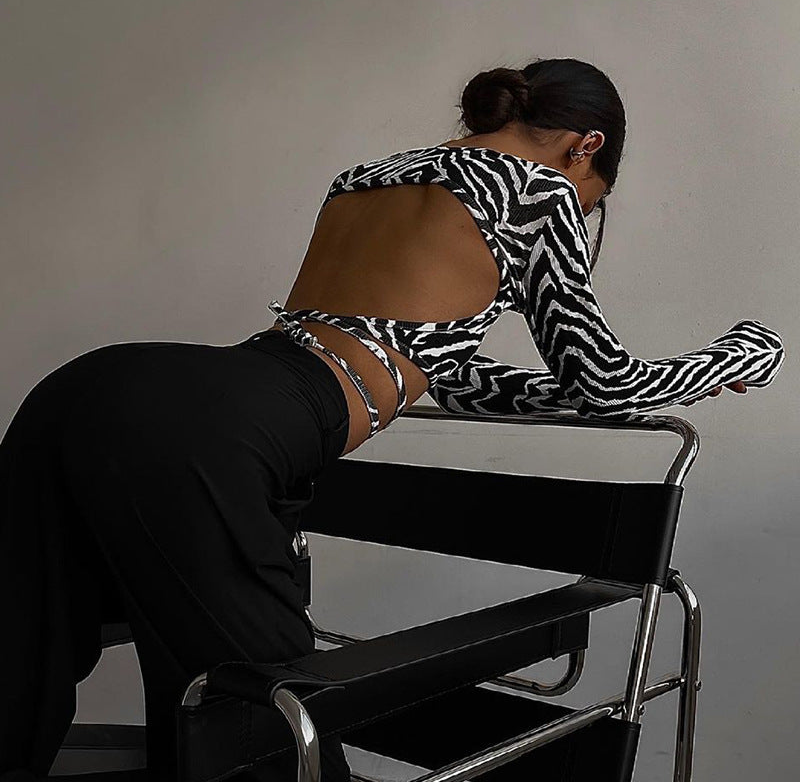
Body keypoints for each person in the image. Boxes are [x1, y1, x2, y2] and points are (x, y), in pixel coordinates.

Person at [0, 57, 785, 782]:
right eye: (593, 201)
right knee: (268, 731)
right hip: (210, 434)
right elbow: (604, 381)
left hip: (97, 386)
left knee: (20, 659)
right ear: (586, 148)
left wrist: (583, 392)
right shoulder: (539, 192)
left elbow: (438, 374)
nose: (582, 215)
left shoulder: (366, 178)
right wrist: (735, 358)